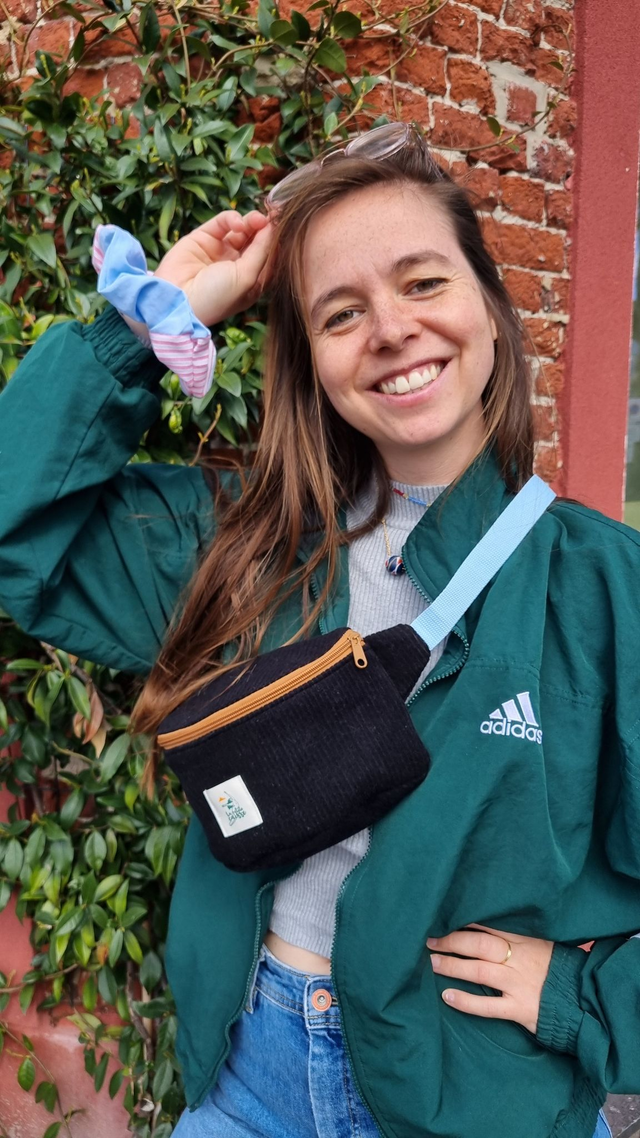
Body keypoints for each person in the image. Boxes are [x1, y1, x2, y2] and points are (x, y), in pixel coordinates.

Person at [0, 121, 636, 1138]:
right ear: (312, 361)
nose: (389, 328)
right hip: (251, 1086)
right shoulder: (237, 546)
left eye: (423, 282)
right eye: (341, 312)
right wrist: (147, 325)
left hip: (481, 1102)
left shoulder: (605, 585)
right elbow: (13, 526)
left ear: (489, 306)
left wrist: (580, 997)